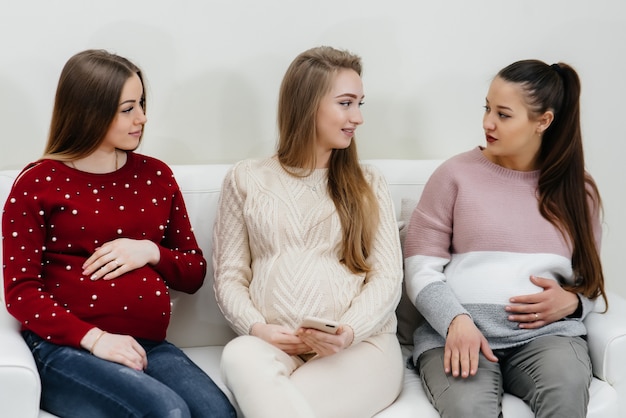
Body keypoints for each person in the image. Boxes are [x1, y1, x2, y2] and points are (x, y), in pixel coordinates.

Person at [2, 49, 236, 418]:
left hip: (148, 345)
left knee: (217, 413)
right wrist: (95, 340)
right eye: (128, 108)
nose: (142, 118)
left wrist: (149, 251)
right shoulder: (38, 183)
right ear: (89, 111)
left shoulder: (157, 176)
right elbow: (21, 292)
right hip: (64, 349)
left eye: (142, 103)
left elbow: (194, 272)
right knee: (167, 412)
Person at [403, 59, 607, 418]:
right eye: (487, 108)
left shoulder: (579, 191)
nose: (487, 123)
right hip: (459, 335)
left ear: (543, 121)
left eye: (503, 114)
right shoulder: (454, 175)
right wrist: (455, 321)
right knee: (469, 410)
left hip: (547, 339)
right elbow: (419, 266)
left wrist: (573, 304)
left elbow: (589, 280)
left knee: (565, 395)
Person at [212, 46, 404, 418]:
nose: (358, 118)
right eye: (346, 103)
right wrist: (258, 329)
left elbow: (386, 277)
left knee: (276, 405)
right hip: (274, 346)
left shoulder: (369, 182)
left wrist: (349, 331)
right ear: (307, 104)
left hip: (361, 347)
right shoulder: (247, 178)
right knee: (238, 354)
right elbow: (230, 277)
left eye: (360, 103)